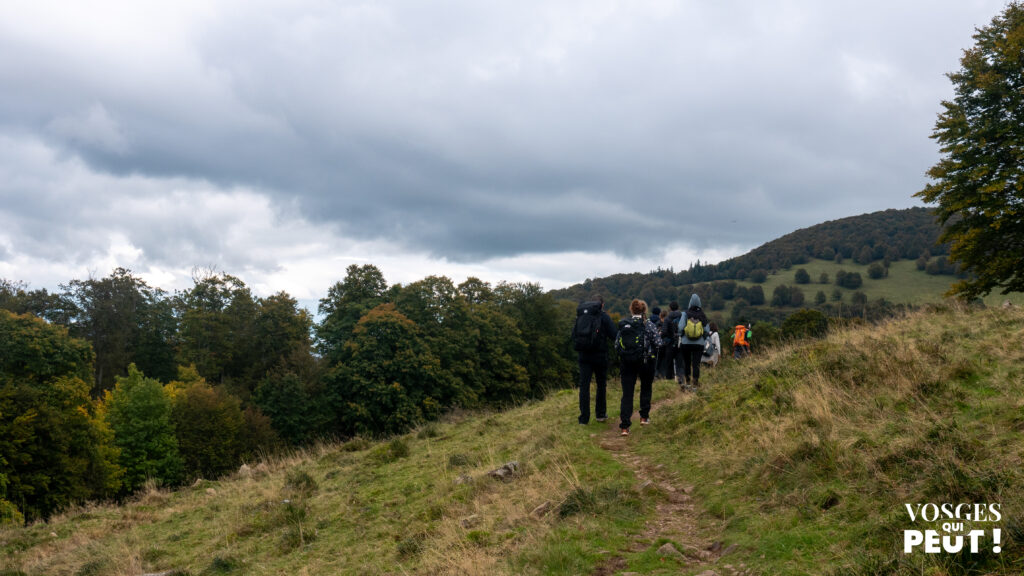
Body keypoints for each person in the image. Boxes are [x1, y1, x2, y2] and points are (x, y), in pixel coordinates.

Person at [571, 294, 617, 424]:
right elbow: (614, 335)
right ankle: (600, 414)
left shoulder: (581, 316)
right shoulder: (604, 317)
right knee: (601, 385)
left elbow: (573, 334)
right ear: (602, 305)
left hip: (584, 355)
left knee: (584, 386)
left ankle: (584, 418)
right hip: (600, 355)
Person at [616, 299, 660, 437]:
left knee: (627, 394)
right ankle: (644, 417)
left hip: (627, 362)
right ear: (644, 310)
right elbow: (659, 342)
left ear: (632, 310)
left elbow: (616, 345)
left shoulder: (625, 325)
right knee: (646, 388)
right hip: (645, 361)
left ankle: (624, 426)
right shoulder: (649, 325)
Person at [676, 294, 709, 391]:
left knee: (686, 363)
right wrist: (702, 337)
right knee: (696, 364)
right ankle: (695, 384)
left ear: (690, 302)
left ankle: (688, 383)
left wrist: (682, 335)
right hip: (699, 344)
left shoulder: (685, 314)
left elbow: (681, 327)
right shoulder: (702, 315)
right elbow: (706, 330)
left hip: (686, 343)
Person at [664, 301, 683, 383]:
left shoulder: (667, 318)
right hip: (680, 343)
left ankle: (669, 380)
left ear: (670, 308)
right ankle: (681, 379)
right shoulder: (683, 317)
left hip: (670, 344)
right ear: (678, 307)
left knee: (669, 363)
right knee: (680, 364)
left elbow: (664, 332)